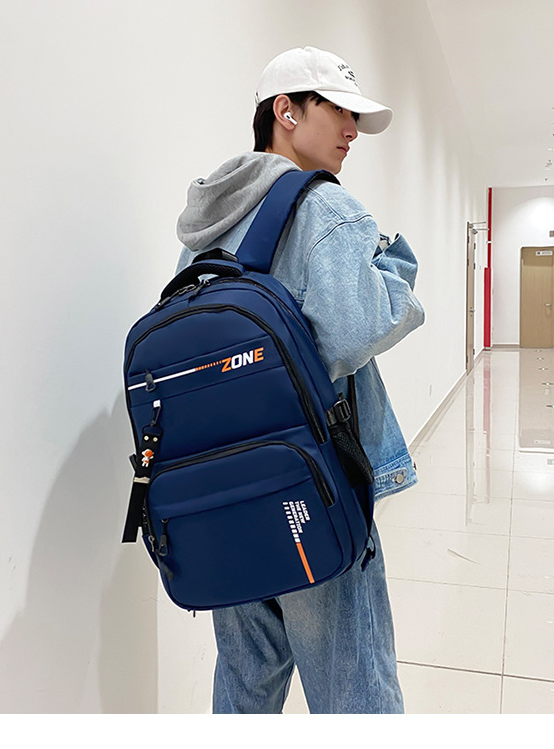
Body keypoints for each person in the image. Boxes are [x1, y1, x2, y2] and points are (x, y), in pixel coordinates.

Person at [174, 46, 425, 714]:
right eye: (338, 111)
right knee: (353, 687)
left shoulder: (207, 227)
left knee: (245, 679)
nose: (351, 131)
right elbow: (358, 328)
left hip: (223, 489)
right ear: (285, 112)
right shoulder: (322, 208)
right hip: (311, 486)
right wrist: (396, 267)